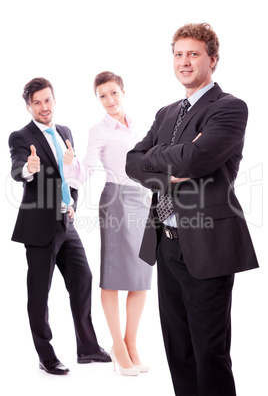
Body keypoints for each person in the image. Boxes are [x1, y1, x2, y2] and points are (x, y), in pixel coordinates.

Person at [125, 23, 259, 395]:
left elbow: (195, 160)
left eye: (193, 54)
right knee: (178, 349)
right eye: (178, 54)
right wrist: (170, 169)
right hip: (165, 244)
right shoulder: (167, 112)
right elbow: (132, 161)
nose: (184, 62)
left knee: (209, 353)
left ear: (212, 60)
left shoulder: (230, 108)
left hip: (207, 244)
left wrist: (162, 161)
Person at [8, 77, 111, 375]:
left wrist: (73, 203)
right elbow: (17, 168)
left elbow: (72, 174)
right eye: (37, 102)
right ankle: (46, 356)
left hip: (66, 222)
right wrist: (29, 168)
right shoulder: (20, 136)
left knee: (83, 279)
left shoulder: (65, 132)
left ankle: (88, 348)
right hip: (39, 225)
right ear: (28, 106)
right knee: (40, 294)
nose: (44, 107)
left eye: (47, 100)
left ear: (55, 100)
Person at [63, 71, 152, 376]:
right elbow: (85, 169)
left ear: (123, 92)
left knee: (142, 276)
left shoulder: (140, 124)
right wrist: (70, 164)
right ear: (98, 99)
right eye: (102, 96)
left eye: (113, 93)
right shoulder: (98, 130)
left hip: (143, 199)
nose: (109, 101)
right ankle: (117, 343)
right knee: (113, 275)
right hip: (115, 200)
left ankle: (130, 342)